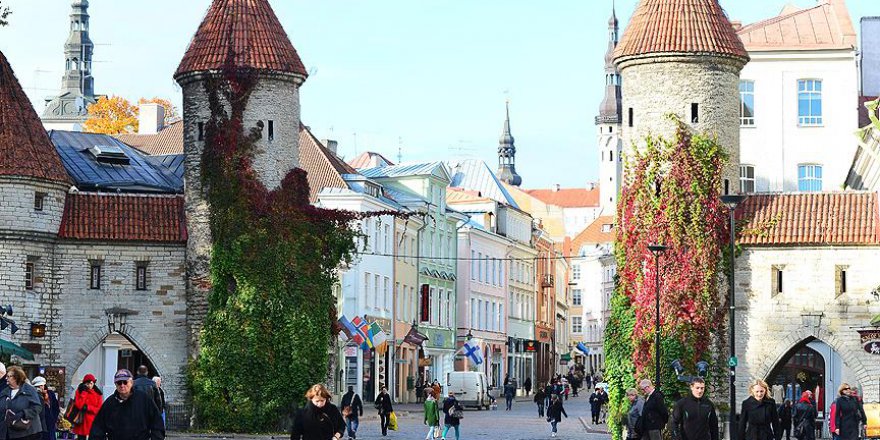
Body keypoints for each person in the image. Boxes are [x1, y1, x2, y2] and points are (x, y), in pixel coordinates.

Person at [89, 369, 163, 440]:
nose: (122, 385)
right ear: (115, 384)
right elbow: (98, 428)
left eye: (125, 382)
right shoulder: (109, 403)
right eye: (119, 383)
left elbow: (157, 423)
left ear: (131, 383)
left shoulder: (144, 399)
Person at [0, 366, 43, 440]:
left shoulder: (29, 390)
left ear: (16, 377)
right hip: (8, 432)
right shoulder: (5, 391)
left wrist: (23, 413)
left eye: (9, 376)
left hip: (27, 432)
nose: (6, 378)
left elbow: (37, 407)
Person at [72, 373, 103, 440]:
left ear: (94, 383)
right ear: (84, 384)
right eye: (87, 384)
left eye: (91, 383)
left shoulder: (98, 394)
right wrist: (84, 393)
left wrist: (88, 407)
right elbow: (79, 405)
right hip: (81, 421)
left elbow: (99, 409)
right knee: (81, 438)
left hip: (92, 421)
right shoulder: (79, 391)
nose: (89, 385)